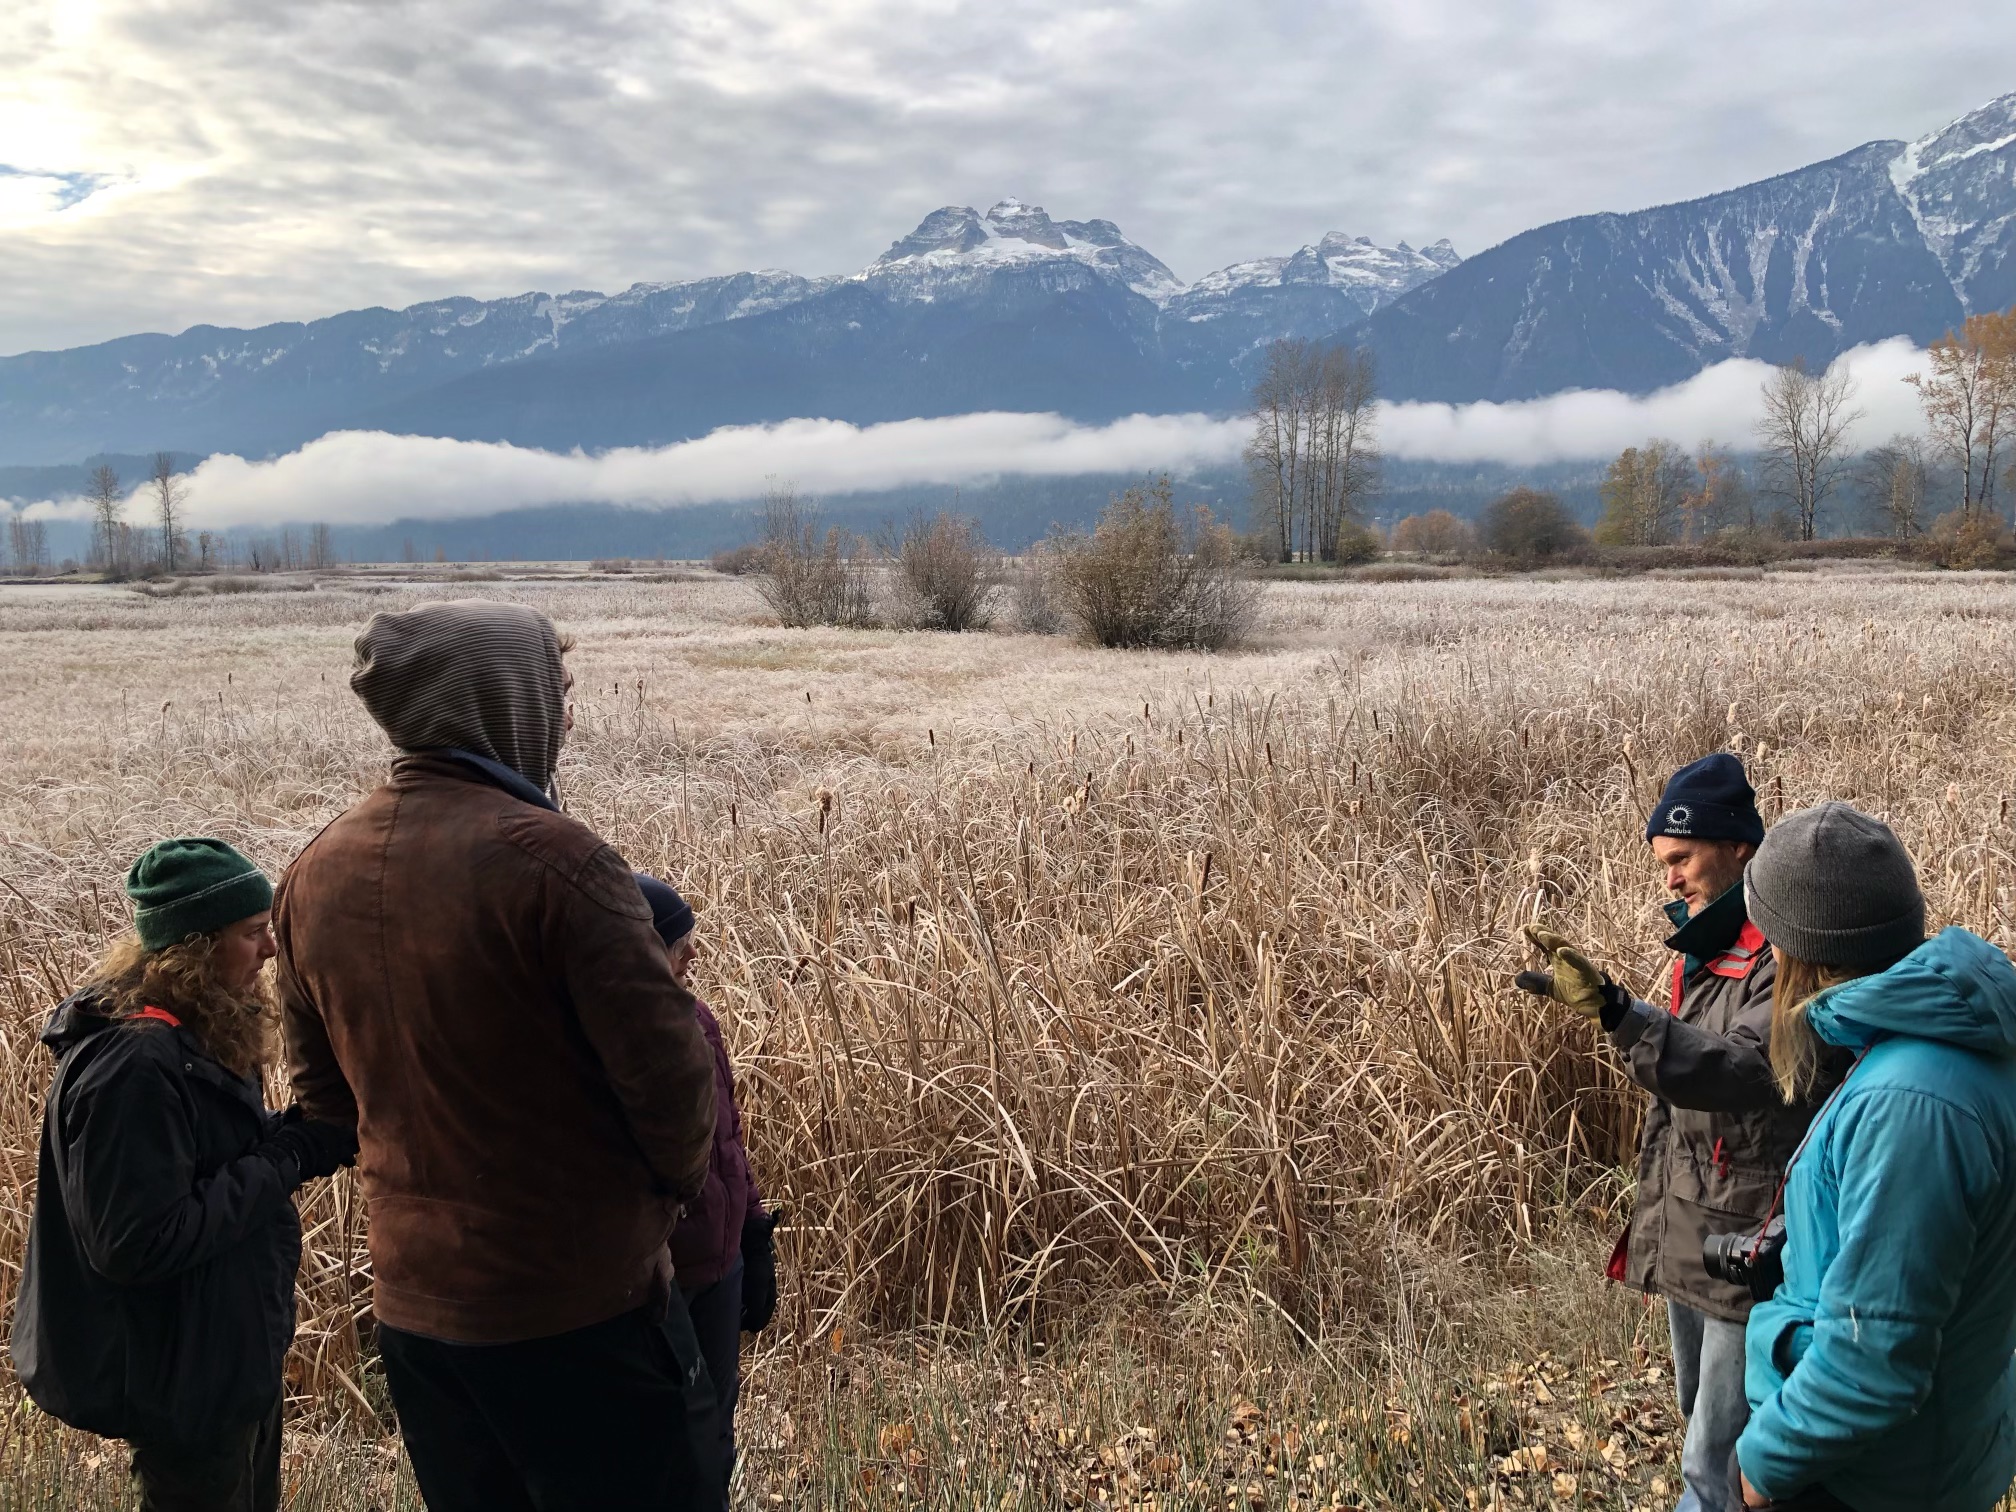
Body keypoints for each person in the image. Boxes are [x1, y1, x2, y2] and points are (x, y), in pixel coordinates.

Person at [273, 601, 720, 1512]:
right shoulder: (561, 863)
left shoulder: (313, 872)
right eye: (553, 692)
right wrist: (662, 1203)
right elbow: (676, 1096)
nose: (564, 715)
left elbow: (325, 1102)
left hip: (417, 1311)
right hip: (580, 1309)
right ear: (500, 703)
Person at [1520, 754, 1837, 1512]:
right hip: (1696, 1223)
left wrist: (1617, 1015)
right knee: (1700, 1420)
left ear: (1739, 848)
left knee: (1719, 1461)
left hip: (1747, 1236)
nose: (1671, 879)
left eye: (1683, 859)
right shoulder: (1707, 946)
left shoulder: (1785, 953)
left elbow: (1744, 1068)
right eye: (1665, 862)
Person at [12, 837, 356, 1512]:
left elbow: (212, 1169)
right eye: (253, 933)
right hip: (181, 1378)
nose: (270, 951)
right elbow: (139, 1241)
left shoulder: (193, 1034)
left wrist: (300, 1138)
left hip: (221, 1360)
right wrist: (286, 1157)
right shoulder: (135, 1070)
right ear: (194, 949)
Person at [1733, 803, 2016, 1512]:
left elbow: (1875, 1356)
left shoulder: (1913, 1103)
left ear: (1804, 949)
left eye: (1771, 938)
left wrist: (1762, 1468)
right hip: (1925, 1451)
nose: (1766, 956)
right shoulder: (1933, 1049)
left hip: (1872, 1477)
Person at [636, 874, 781, 1510]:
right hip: (662, 1283)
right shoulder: (614, 1038)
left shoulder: (700, 1021)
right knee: (667, 1444)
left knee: (716, 1432)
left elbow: (730, 1142)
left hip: (721, 1267)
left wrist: (753, 1232)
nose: (693, 954)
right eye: (679, 943)